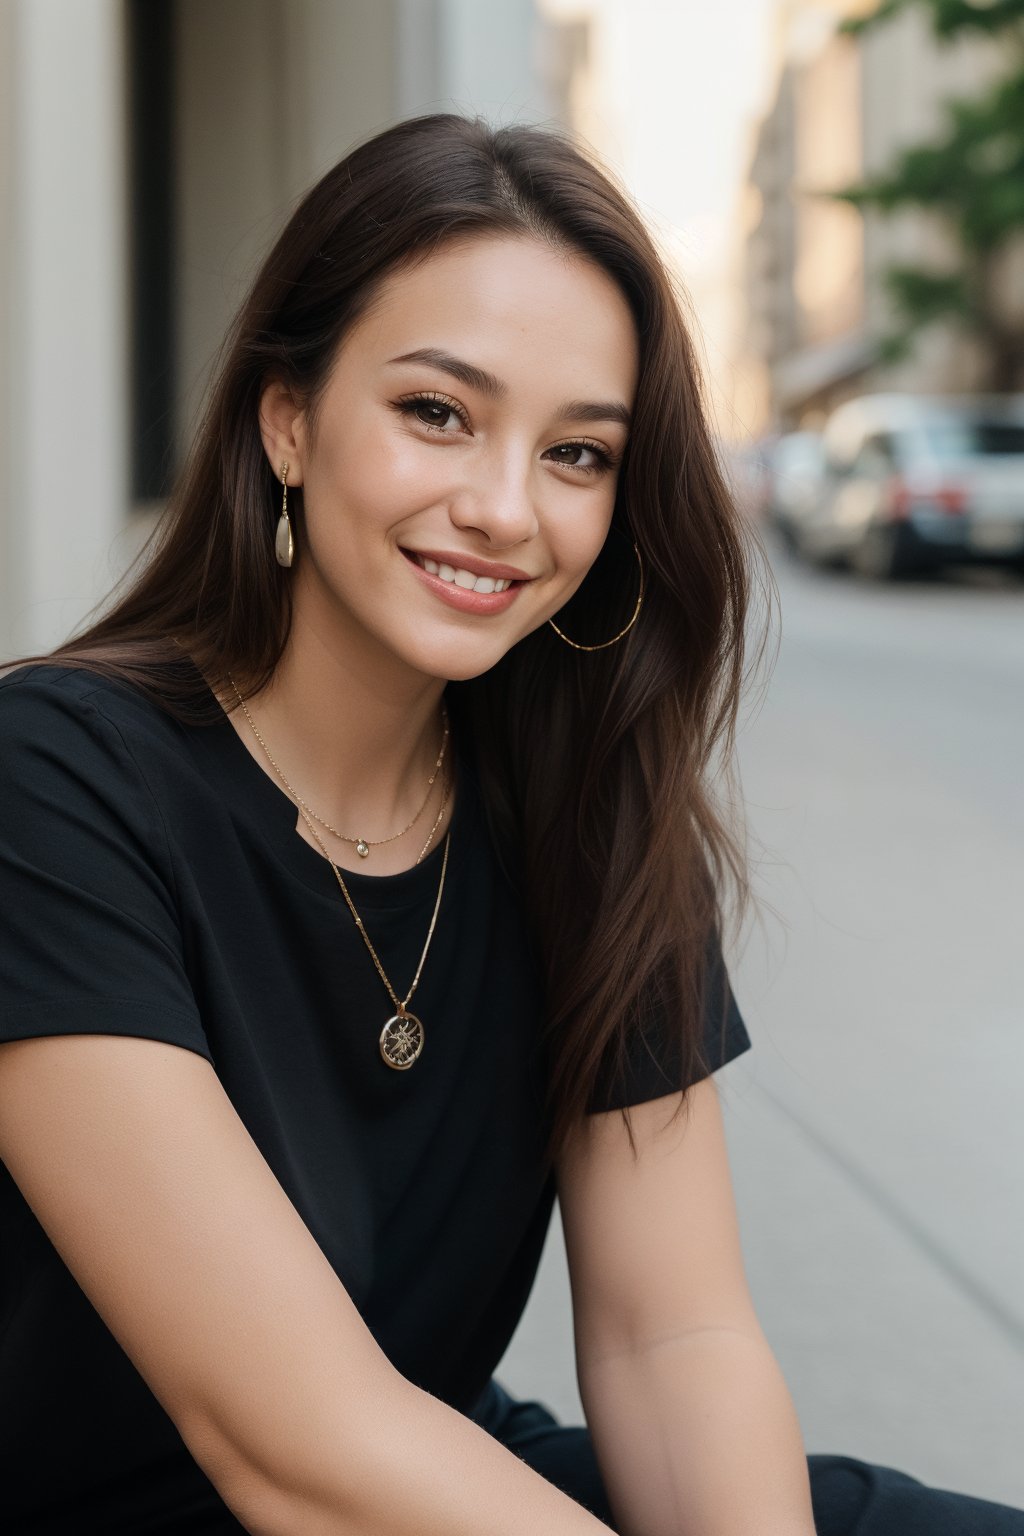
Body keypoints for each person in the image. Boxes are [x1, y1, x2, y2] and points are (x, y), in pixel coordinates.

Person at [0, 112, 1019, 1536]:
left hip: (440, 1477)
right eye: (437, 414)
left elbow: (677, 1343)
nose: (504, 510)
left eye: (579, 455)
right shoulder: (54, 778)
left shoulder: (581, 806)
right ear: (286, 420)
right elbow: (287, 1443)